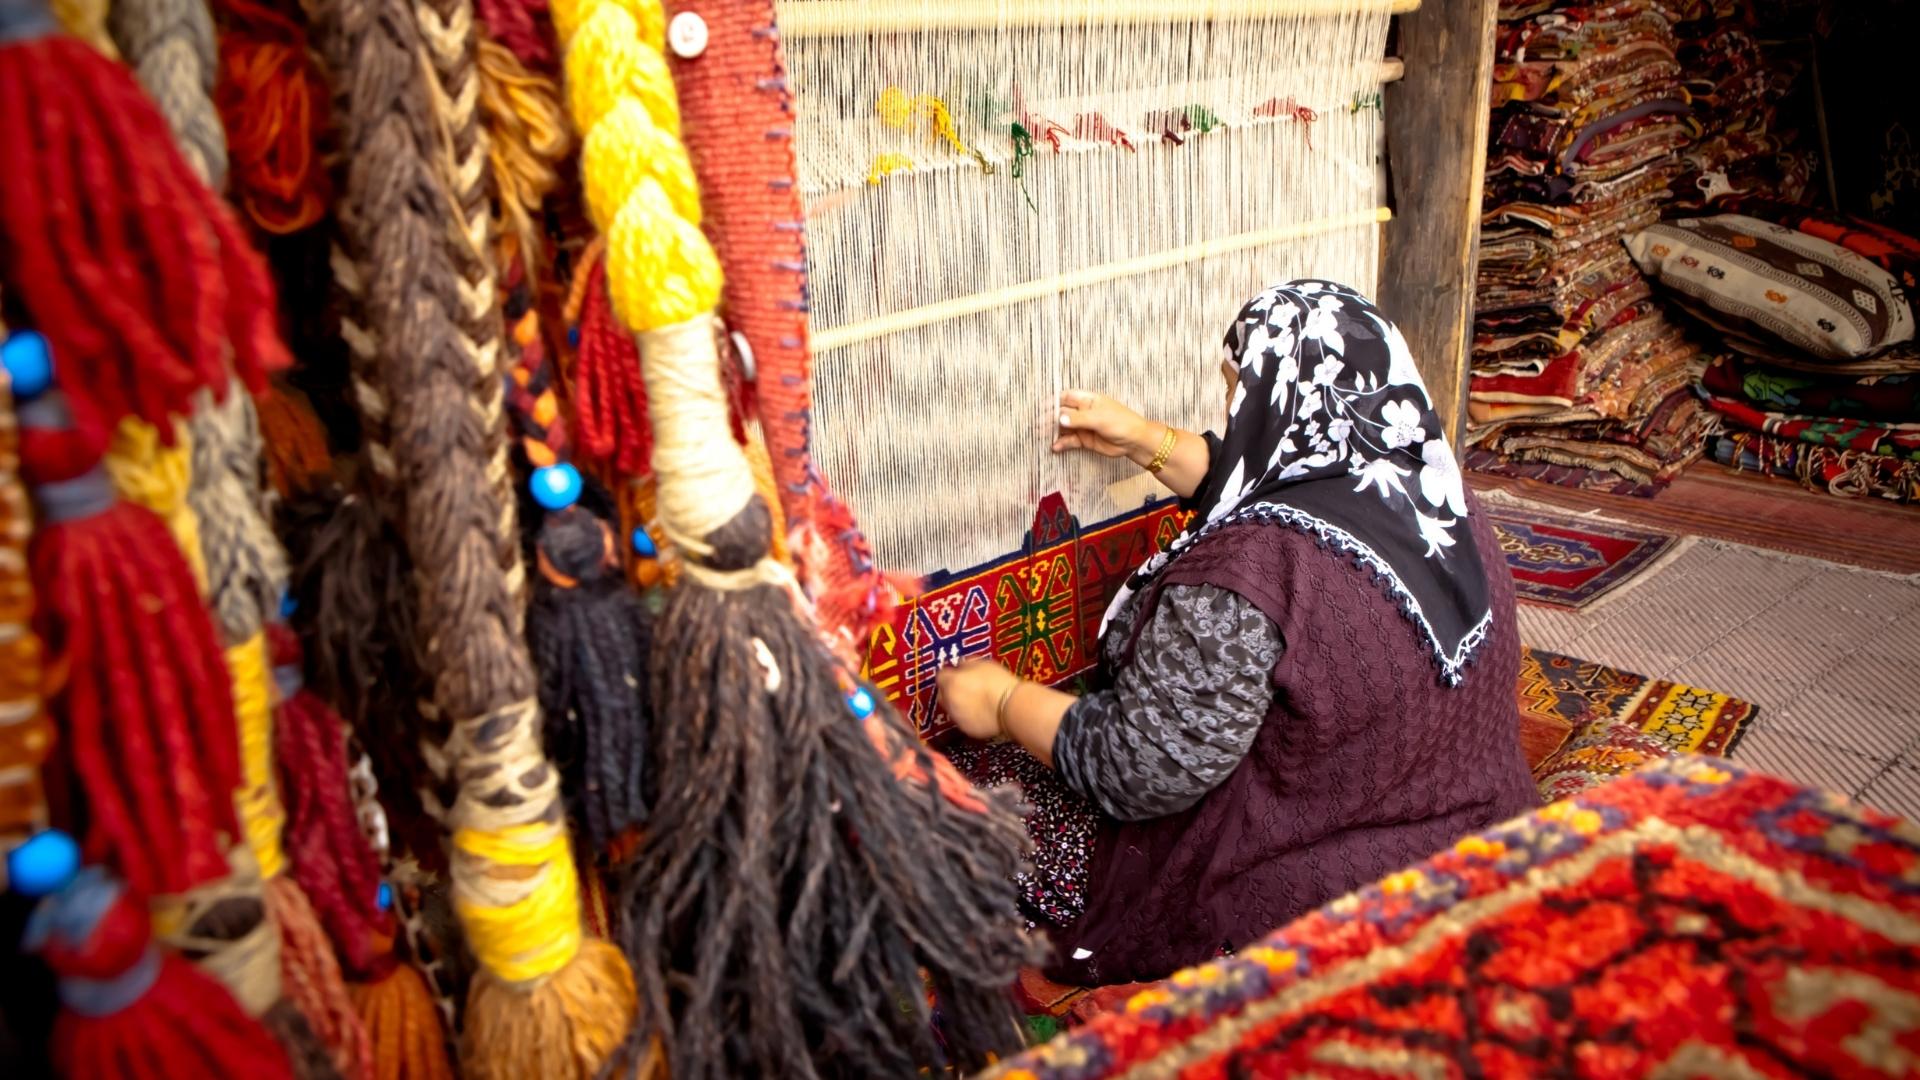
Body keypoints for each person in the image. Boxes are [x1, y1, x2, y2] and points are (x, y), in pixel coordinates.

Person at [936, 281, 1538, 986]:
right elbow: (1276, 468)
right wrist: (1149, 442)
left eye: (1239, 390)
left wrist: (1005, 702)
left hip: (1310, 887)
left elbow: (1141, 768)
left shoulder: (1253, 571)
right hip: (1472, 824)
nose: (1233, 410)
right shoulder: (1428, 488)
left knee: (956, 787)